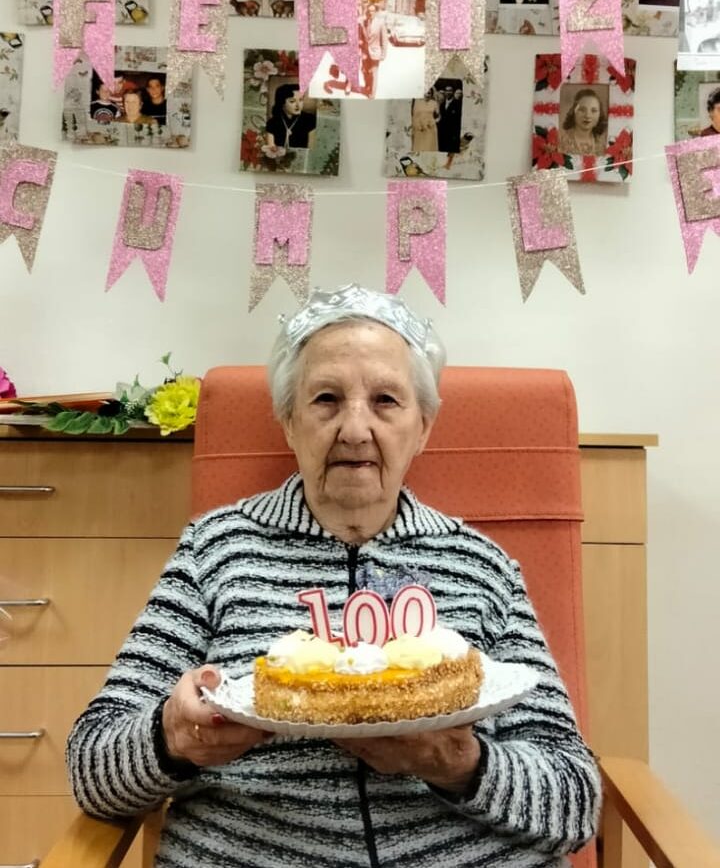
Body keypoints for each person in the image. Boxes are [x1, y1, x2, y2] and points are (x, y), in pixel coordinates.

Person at [66, 284, 601, 868]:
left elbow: (575, 803)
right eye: (326, 399)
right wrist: (171, 737)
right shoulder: (214, 551)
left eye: (386, 401)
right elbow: (94, 770)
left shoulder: (482, 566)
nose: (354, 429)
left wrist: (457, 763)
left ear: (424, 426)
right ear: (289, 422)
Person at [265, 83, 316, 150]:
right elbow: (270, 149)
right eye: (292, 101)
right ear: (282, 103)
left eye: (300, 100)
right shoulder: (272, 123)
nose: (298, 105)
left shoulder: (310, 120)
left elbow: (311, 149)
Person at [558, 88, 608, 156]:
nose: (587, 115)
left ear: (600, 114)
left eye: (593, 111)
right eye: (582, 110)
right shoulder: (561, 141)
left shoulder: (603, 144)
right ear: (574, 112)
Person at [361, 2, 388, 98]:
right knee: (364, 70)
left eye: (372, 11)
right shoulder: (365, 22)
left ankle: (372, 94)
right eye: (369, 11)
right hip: (365, 52)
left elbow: (384, 40)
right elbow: (363, 37)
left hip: (375, 52)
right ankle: (368, 85)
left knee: (374, 73)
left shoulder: (380, 23)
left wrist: (383, 54)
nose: (370, 13)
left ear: (376, 12)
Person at [436, 82, 462, 154]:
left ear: (453, 92)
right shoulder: (442, 104)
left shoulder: (457, 104)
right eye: (446, 91)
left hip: (452, 134)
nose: (448, 92)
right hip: (442, 133)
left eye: (450, 90)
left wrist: (455, 135)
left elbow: (458, 121)